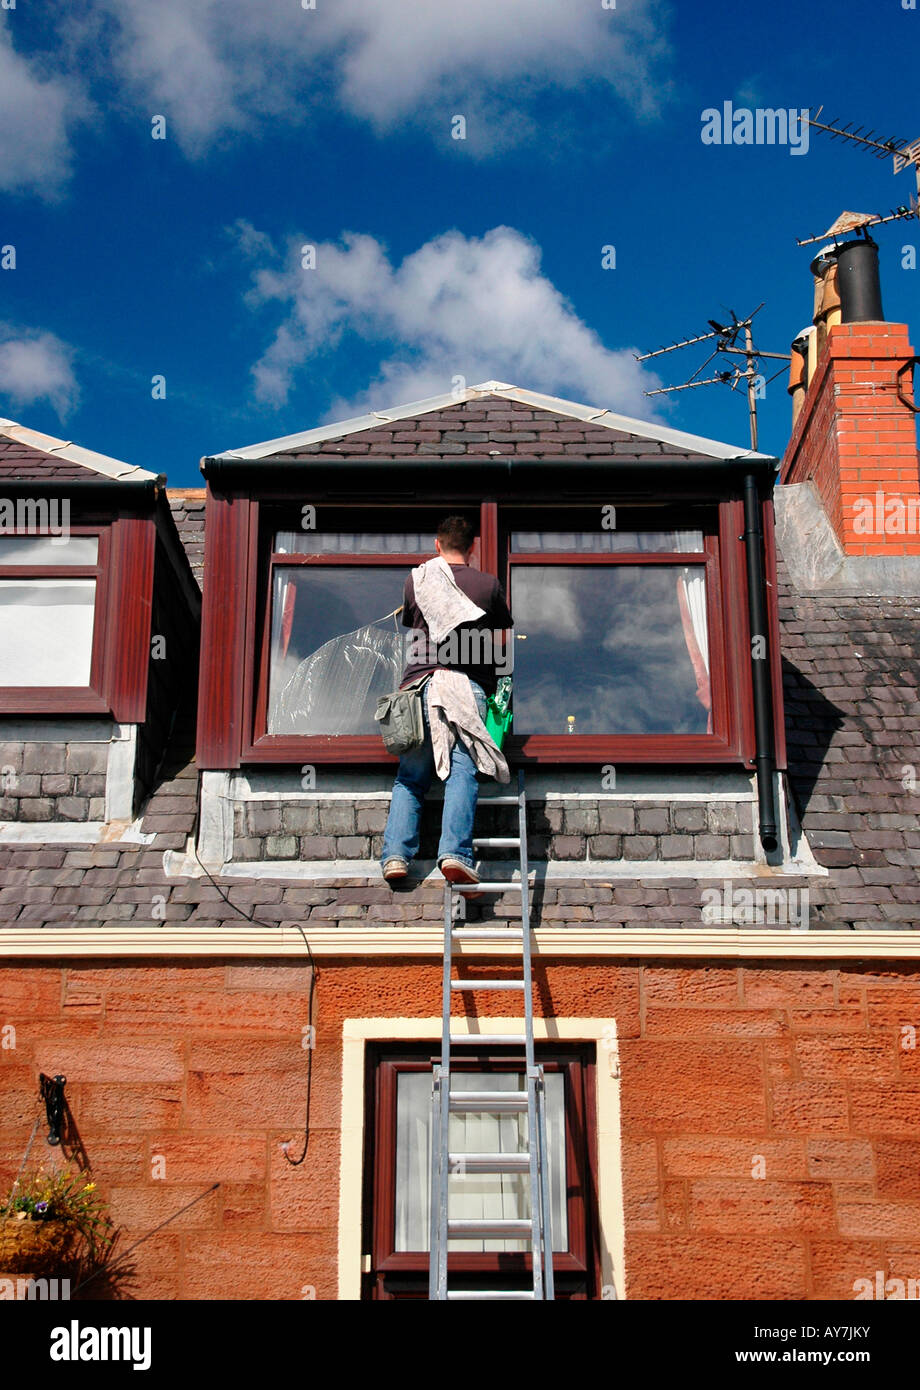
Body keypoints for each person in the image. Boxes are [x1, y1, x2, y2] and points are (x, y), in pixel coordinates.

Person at [380, 516, 513, 886]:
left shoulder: (416, 580)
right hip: (466, 689)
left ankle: (395, 857)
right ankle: (454, 854)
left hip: (419, 688)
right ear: (472, 547)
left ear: (437, 545)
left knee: (409, 778)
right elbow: (502, 625)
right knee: (461, 772)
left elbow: (410, 620)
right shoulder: (487, 585)